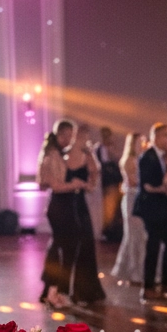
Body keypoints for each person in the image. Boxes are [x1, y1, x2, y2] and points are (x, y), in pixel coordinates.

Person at [38, 120, 86, 308]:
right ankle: (58, 292)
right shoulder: (53, 155)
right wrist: (75, 184)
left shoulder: (53, 153)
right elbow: (55, 185)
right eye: (68, 135)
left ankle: (51, 291)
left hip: (60, 206)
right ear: (61, 135)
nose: (70, 140)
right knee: (66, 250)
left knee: (59, 248)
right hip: (61, 206)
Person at [134, 123, 167, 300]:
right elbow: (146, 186)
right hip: (150, 206)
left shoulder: (166, 157)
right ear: (157, 137)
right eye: (165, 136)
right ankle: (148, 286)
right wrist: (164, 189)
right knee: (153, 245)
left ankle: (166, 282)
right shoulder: (147, 157)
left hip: (162, 206)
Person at [64, 123, 105, 305]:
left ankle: (87, 291)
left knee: (86, 245)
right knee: (75, 247)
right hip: (67, 202)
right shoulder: (64, 153)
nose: (84, 138)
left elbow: (95, 171)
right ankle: (73, 291)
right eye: (82, 135)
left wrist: (89, 184)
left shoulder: (86, 153)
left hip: (80, 203)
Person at [111, 132, 146, 284]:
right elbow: (132, 182)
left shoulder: (140, 159)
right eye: (138, 143)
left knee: (135, 236)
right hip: (131, 199)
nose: (141, 145)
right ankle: (133, 273)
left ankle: (128, 271)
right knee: (132, 236)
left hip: (138, 199)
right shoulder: (129, 160)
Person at [96, 126, 123, 242]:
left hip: (115, 181)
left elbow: (117, 162)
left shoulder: (112, 148)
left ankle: (114, 232)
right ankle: (108, 232)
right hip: (107, 182)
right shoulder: (99, 149)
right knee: (108, 208)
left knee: (115, 208)